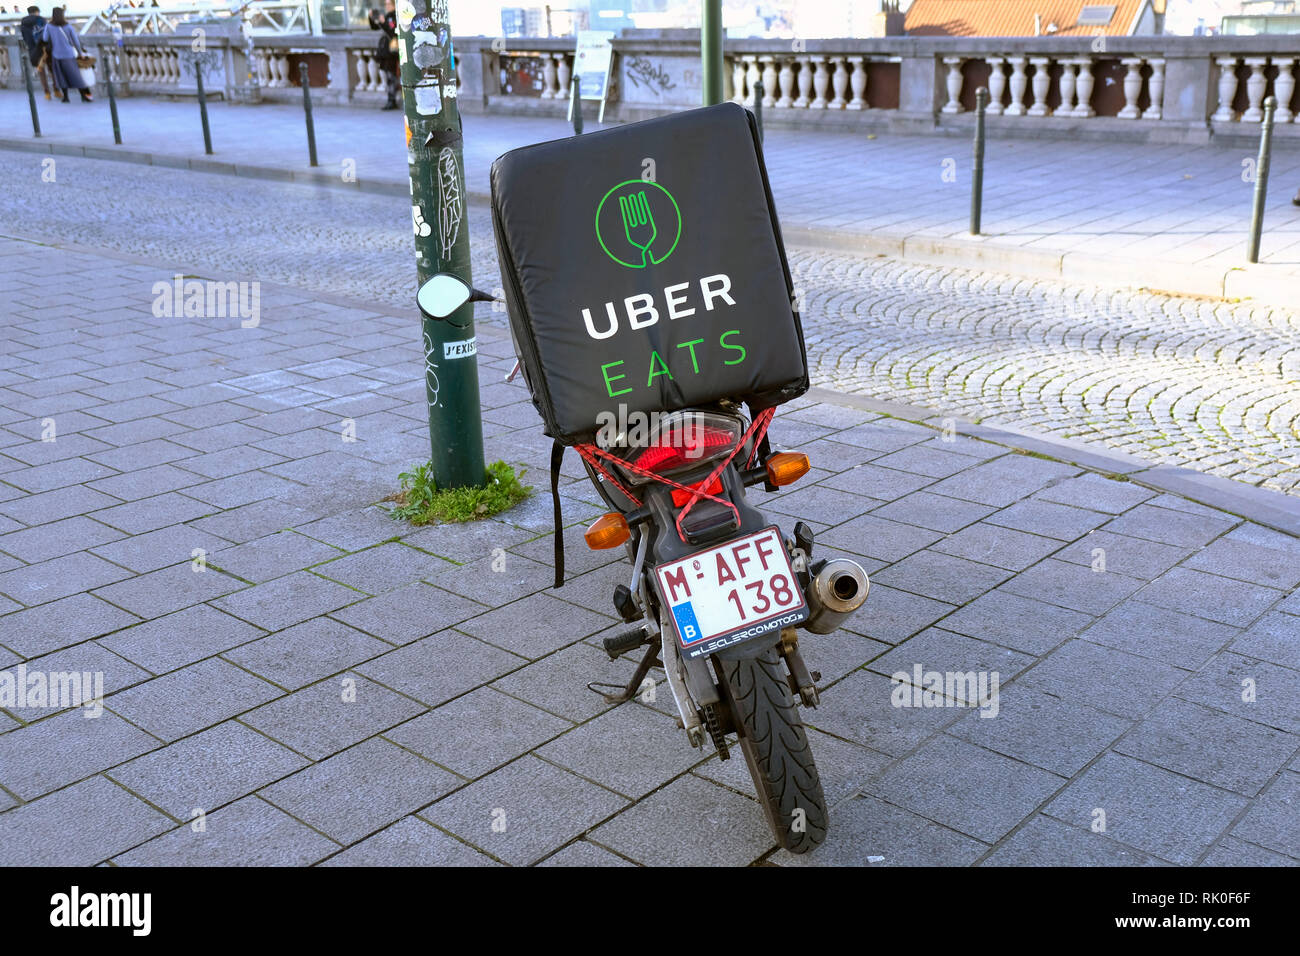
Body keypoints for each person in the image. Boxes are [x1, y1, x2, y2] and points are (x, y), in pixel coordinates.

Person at [43, 6, 91, 102]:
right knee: (75, 75)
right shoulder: (68, 26)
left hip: (56, 55)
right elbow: (76, 42)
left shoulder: (49, 26)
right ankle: (83, 96)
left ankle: (66, 97)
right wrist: (80, 53)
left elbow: (45, 38)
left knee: (60, 76)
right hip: (69, 55)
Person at [368, 0, 399, 111]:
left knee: (391, 76)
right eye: (385, 4)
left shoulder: (394, 17)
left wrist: (383, 21)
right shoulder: (388, 16)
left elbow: (392, 31)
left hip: (391, 52)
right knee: (387, 76)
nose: (386, 6)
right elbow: (375, 27)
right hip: (385, 52)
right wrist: (371, 17)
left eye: (388, 4)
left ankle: (392, 100)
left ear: (394, 5)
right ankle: (390, 99)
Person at [19, 5, 52, 100]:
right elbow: (47, 34)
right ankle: (56, 90)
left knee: (41, 71)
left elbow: (24, 36)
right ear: (37, 11)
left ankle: (47, 92)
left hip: (33, 50)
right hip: (45, 48)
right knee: (51, 69)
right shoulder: (41, 20)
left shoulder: (24, 22)